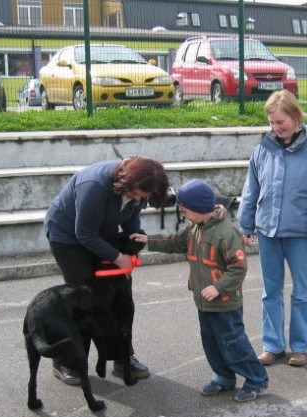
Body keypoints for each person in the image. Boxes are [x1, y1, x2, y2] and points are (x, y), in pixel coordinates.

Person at [131, 179, 269, 402]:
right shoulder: (196, 228)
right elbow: (176, 243)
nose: (183, 214)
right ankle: (224, 377)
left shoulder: (227, 233)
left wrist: (217, 287)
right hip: (204, 302)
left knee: (233, 343)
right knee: (211, 342)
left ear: (198, 209)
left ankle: (256, 379)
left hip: (224, 303)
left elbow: (238, 268)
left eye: (185, 211)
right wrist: (149, 241)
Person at [44, 156, 170, 385]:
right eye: (137, 194)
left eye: (144, 197)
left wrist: (132, 249)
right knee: (82, 300)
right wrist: (117, 257)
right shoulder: (94, 185)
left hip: (102, 232)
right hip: (69, 237)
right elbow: (84, 233)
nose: (139, 199)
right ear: (126, 183)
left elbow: (132, 217)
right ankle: (67, 361)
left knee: (120, 299)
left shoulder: (143, 186)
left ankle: (122, 358)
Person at [237, 90, 307, 368]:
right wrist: (246, 223)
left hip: (301, 234)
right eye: (271, 123)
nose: (276, 128)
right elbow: (251, 187)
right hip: (268, 231)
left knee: (302, 291)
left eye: (281, 122)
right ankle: (273, 345)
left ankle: (300, 347)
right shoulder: (262, 148)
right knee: (271, 291)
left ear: (295, 116)